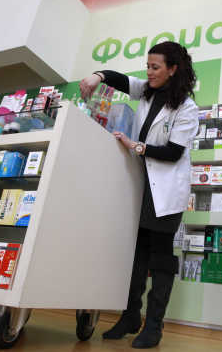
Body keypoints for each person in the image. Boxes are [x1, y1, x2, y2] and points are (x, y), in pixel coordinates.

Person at [79, 41, 199, 349]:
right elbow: (120, 79)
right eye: (148, 66)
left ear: (173, 69)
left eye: (155, 67)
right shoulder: (147, 90)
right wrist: (97, 76)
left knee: (159, 257)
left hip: (166, 191)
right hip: (140, 183)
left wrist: (137, 146)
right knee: (136, 255)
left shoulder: (186, 107)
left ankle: (154, 325)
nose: (149, 72)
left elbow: (173, 153)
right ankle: (130, 315)